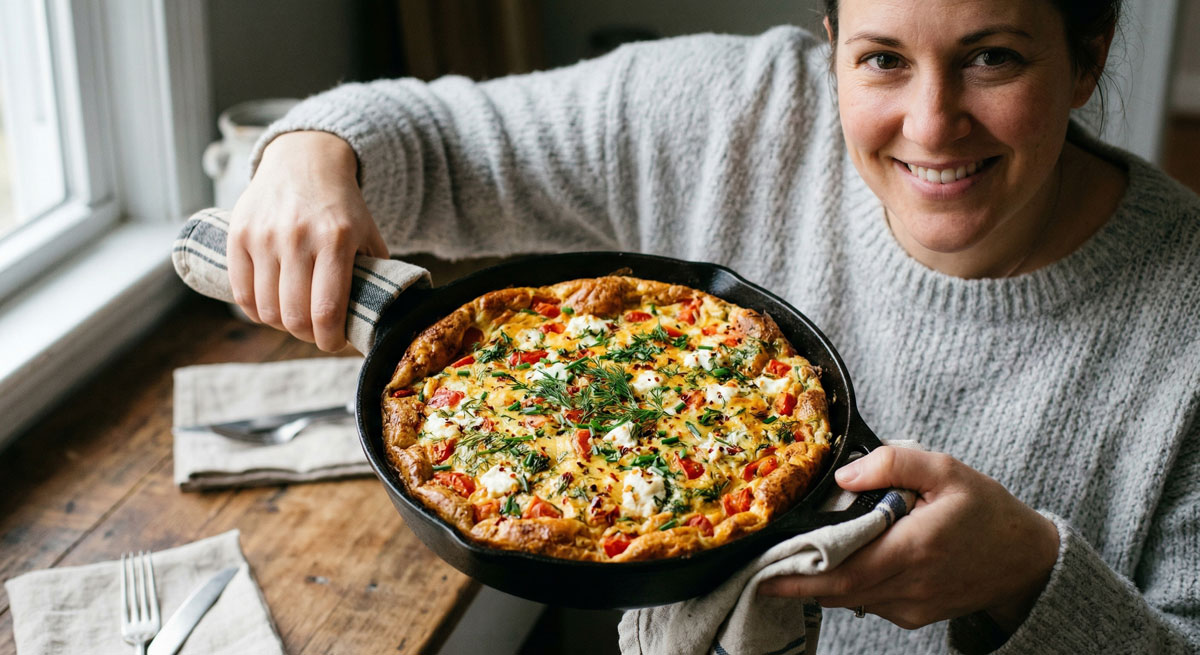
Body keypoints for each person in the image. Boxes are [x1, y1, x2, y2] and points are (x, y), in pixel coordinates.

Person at [226, 0, 1200, 651]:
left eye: (994, 57)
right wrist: (314, 150)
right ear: (830, 45)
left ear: (1090, 56)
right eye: (882, 60)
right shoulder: (735, 113)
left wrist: (1029, 575)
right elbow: (432, 141)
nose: (933, 123)